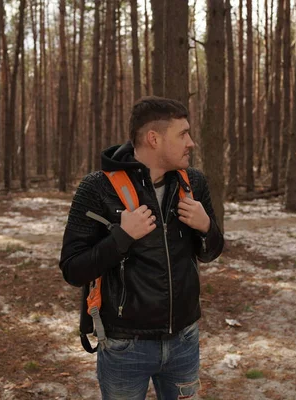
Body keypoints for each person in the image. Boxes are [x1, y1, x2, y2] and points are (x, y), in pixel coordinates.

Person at [59, 96, 224, 400]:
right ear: (154, 139)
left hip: (184, 341)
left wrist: (206, 227)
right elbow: (72, 268)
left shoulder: (193, 183)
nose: (192, 143)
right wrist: (121, 237)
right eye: (183, 134)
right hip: (125, 346)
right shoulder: (97, 188)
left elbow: (211, 252)